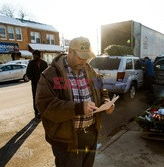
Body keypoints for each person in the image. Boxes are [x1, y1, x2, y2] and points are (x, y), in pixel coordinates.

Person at [35, 37, 115, 167]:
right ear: (70, 52)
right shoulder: (52, 74)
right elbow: (45, 105)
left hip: (91, 135)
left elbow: (102, 90)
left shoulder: (90, 71)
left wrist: (107, 102)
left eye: (87, 57)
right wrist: (77, 108)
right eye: (81, 57)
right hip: (67, 140)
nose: (84, 61)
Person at [26, 50, 48, 119]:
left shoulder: (44, 63)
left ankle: (43, 111)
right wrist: (33, 79)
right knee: (35, 98)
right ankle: (37, 112)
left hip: (44, 84)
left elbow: (48, 73)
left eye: (37, 55)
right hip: (35, 84)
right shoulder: (31, 63)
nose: (35, 56)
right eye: (34, 55)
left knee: (43, 97)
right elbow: (28, 74)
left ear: (39, 55)